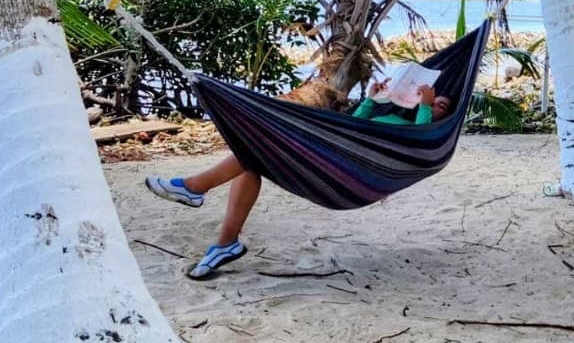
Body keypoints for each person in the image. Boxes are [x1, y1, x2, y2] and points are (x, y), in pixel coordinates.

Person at [146, 78, 453, 280]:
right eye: (434, 99)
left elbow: (418, 140)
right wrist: (372, 99)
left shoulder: (421, 134)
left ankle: (193, 188)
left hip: (347, 172)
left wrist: (426, 106)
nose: (435, 103)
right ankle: (226, 243)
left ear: (444, 117)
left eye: (443, 105)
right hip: (336, 153)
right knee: (251, 161)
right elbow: (356, 128)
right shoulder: (396, 116)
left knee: (253, 149)